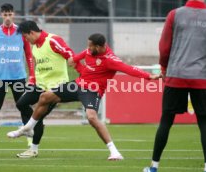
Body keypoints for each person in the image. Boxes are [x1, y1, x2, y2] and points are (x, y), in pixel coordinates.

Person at [8, 33, 159, 160]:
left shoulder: (111, 60)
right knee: (45, 97)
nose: (88, 48)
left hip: (92, 91)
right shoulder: (89, 51)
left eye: (90, 46)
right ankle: (27, 128)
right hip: (78, 84)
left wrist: (148, 76)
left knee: (92, 118)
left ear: (99, 47)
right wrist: (77, 65)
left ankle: (114, 151)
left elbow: (129, 69)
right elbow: (74, 59)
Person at [143, 0, 206, 172]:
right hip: (201, 78)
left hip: (176, 74)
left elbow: (164, 47)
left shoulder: (175, 14)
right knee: (204, 122)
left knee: (166, 121)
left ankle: (154, 167)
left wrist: (164, 68)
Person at [10, 20, 80, 158]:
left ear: (31, 32)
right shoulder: (35, 46)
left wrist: (76, 64)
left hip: (56, 89)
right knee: (21, 104)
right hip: (39, 85)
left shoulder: (53, 40)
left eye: (25, 36)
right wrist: (32, 82)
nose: (25, 39)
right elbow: (37, 68)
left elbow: (70, 54)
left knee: (38, 117)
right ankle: (30, 127)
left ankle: (33, 149)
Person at [0, 3, 35, 147]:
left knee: (23, 107)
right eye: (5, 14)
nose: (7, 17)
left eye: (10, 14)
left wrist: (31, 75)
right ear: (1, 15)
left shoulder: (22, 32)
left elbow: (29, 55)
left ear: (14, 14)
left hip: (18, 76)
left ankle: (29, 138)